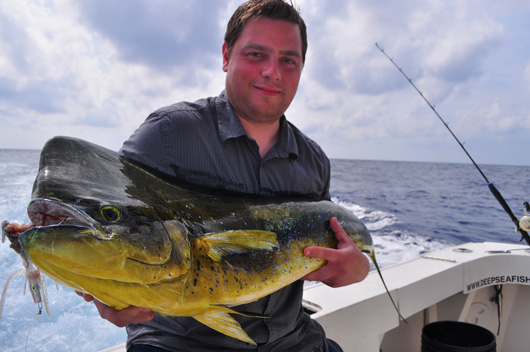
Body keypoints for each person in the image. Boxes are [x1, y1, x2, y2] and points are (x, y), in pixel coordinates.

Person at [78, 1, 370, 351]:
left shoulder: (314, 161)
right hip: (178, 343)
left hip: (290, 339)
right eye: (256, 54)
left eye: (288, 60)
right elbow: (100, 223)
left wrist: (357, 269)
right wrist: (99, 292)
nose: (272, 72)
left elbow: (331, 249)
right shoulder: (168, 134)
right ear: (226, 56)